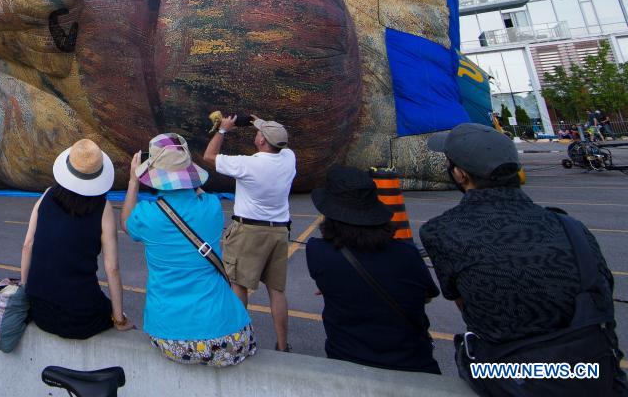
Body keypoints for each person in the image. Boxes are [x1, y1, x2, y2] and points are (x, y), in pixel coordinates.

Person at [420, 123, 626, 395]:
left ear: (460, 174)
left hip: (510, 377)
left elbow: (468, 306)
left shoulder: (442, 231)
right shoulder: (571, 227)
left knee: (469, 348)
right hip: (595, 371)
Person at [123, 133, 255, 367]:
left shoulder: (146, 215)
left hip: (171, 337)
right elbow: (200, 193)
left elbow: (126, 224)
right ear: (189, 171)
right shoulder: (212, 206)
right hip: (228, 336)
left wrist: (134, 182)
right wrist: (187, 174)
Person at [306, 166, 440, 374]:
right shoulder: (407, 254)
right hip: (411, 363)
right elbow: (426, 295)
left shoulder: (318, 252)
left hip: (345, 360)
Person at [21, 139, 133, 339]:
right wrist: (119, 319)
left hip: (39, 310)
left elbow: (27, 245)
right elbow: (112, 268)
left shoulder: (47, 195)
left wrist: (25, 294)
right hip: (79, 317)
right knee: (105, 308)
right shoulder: (103, 209)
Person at [203, 113, 295, 352]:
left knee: (238, 285)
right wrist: (258, 122)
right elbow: (277, 139)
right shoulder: (289, 158)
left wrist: (222, 130)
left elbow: (209, 156)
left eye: (260, 133)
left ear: (262, 140)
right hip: (279, 231)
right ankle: (282, 345)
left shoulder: (248, 164)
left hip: (249, 231)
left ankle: (237, 341)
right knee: (277, 291)